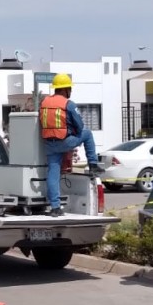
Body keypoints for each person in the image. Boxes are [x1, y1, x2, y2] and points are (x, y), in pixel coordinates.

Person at [39, 73, 103, 217]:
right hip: (65, 141)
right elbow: (80, 125)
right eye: (69, 88)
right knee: (87, 134)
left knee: (53, 174)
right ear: (64, 89)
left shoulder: (44, 102)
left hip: (49, 143)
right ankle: (93, 164)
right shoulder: (68, 104)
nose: (70, 91)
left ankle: (55, 208)